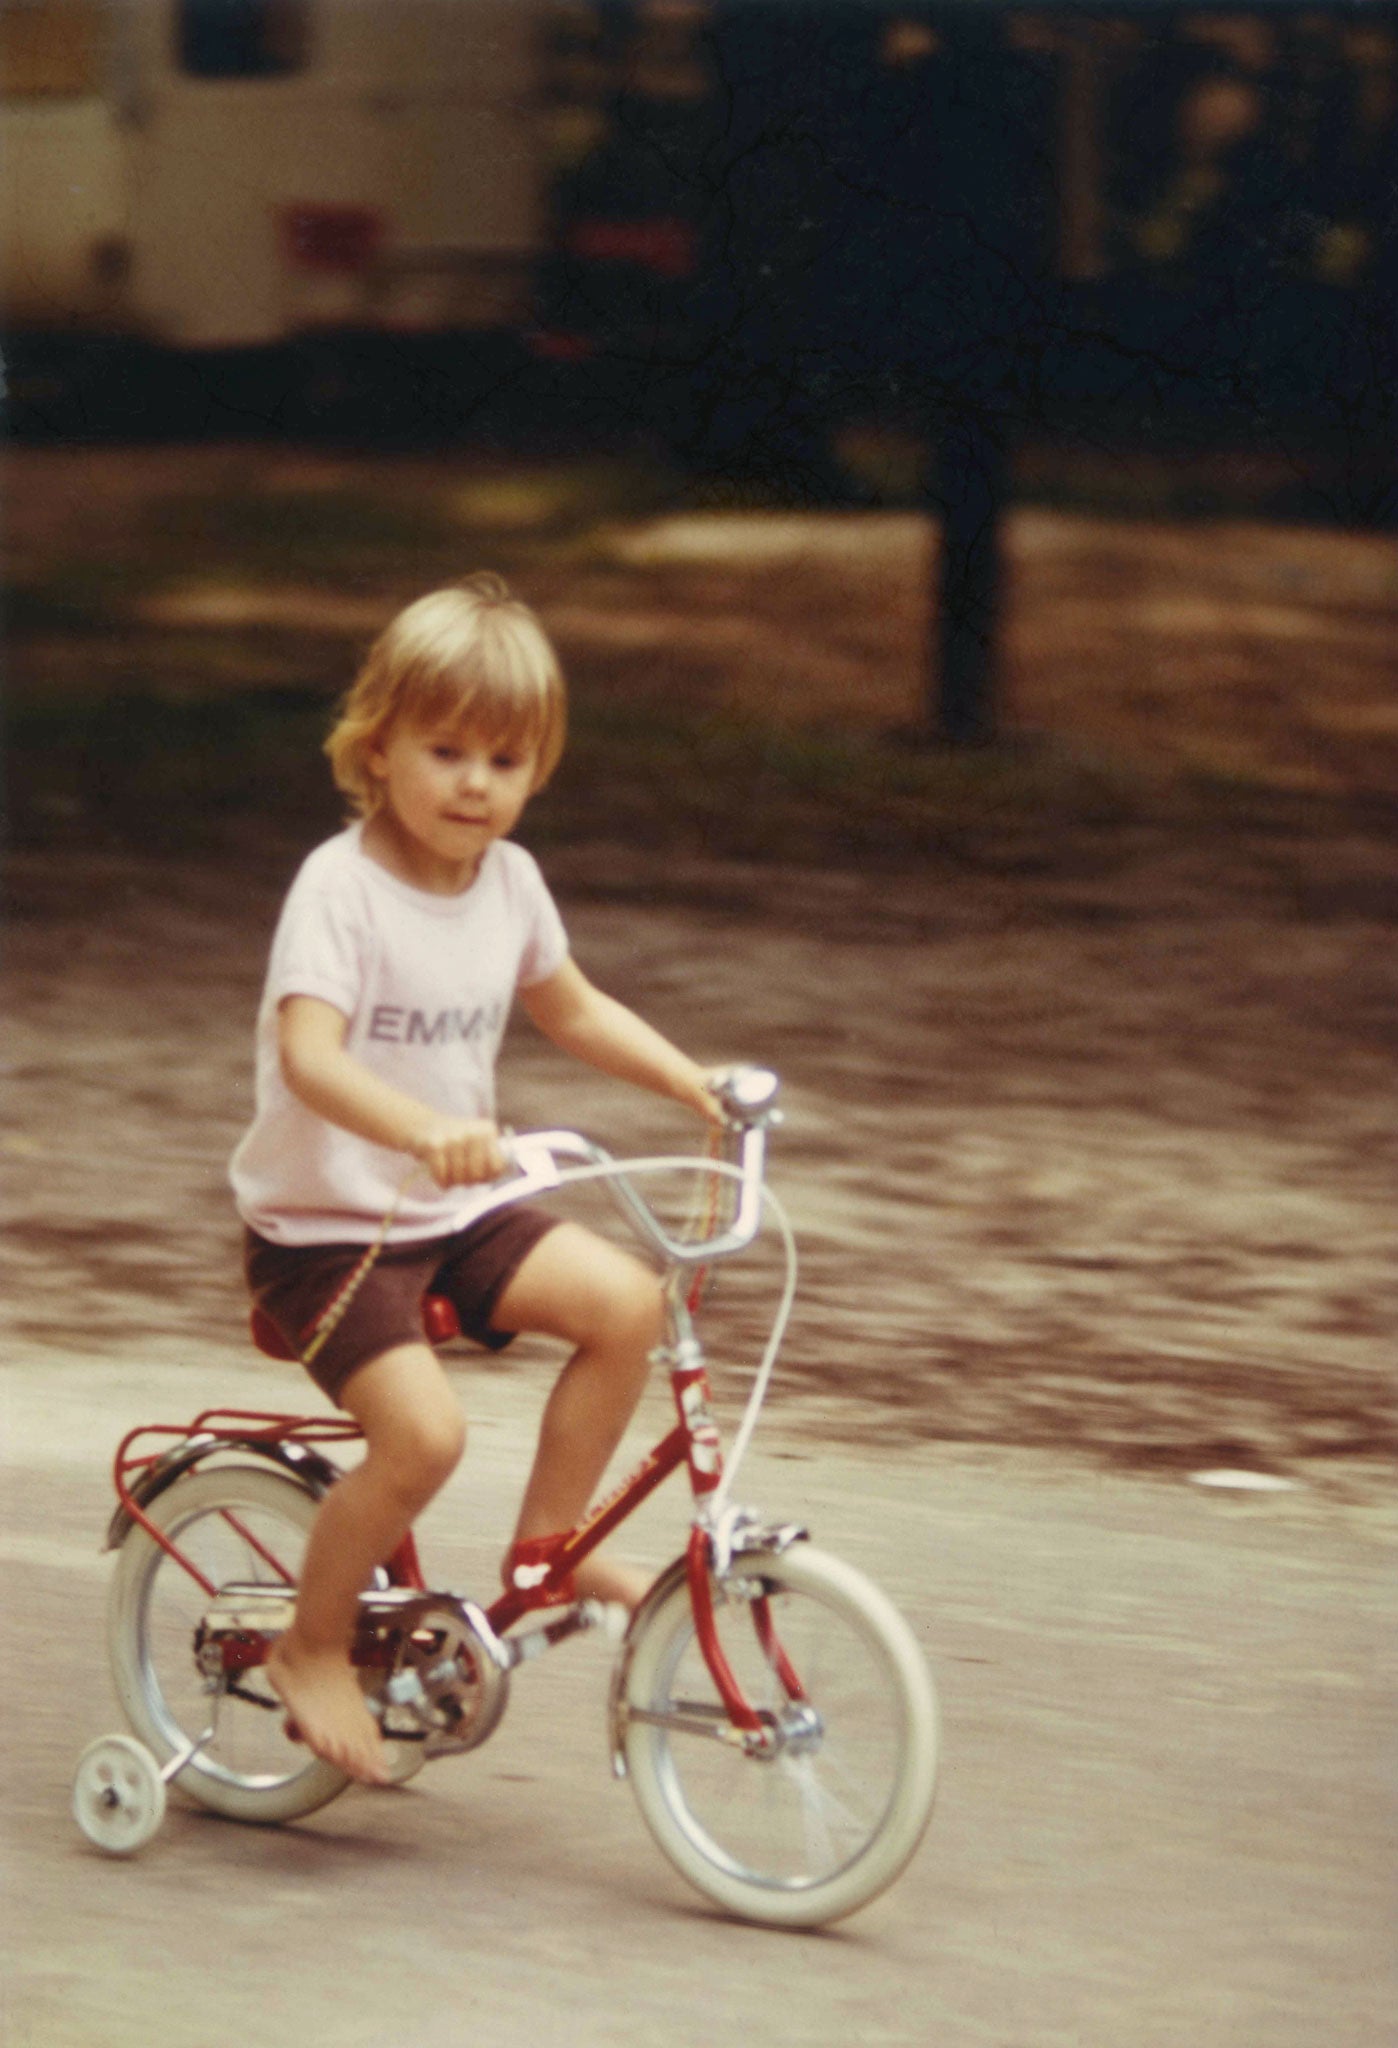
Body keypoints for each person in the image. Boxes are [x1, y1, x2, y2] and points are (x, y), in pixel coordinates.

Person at [230, 574, 721, 1787]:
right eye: (444, 749)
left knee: (629, 1304)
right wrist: (417, 1126)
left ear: (538, 767)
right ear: (377, 744)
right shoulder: (339, 889)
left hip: (454, 1210)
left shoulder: (509, 882)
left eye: (505, 758)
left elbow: (572, 1004)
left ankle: (545, 1549)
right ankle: (308, 1642)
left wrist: (692, 1084)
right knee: (424, 1437)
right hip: (329, 1230)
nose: (473, 783)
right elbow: (309, 1053)